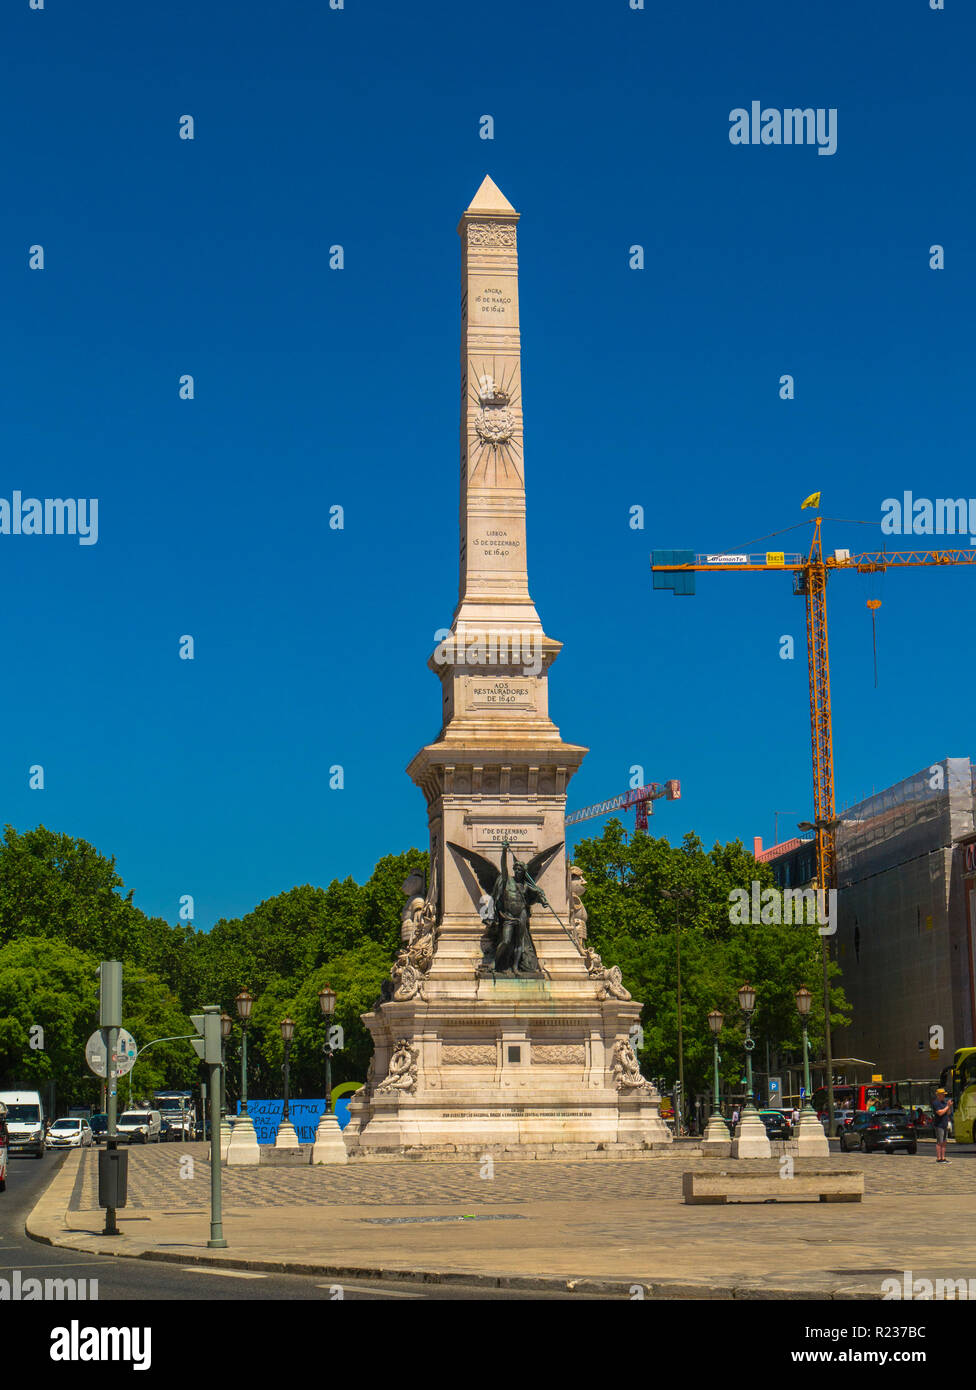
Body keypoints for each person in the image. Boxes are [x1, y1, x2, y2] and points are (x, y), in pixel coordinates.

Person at [932, 1087, 953, 1163]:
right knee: (939, 1142)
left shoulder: (944, 1103)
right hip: (939, 1125)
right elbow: (940, 1113)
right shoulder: (935, 1103)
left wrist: (949, 1106)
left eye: (944, 1094)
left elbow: (948, 1113)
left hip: (945, 1124)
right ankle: (939, 1158)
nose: (944, 1096)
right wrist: (947, 1106)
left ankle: (943, 1158)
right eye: (943, 1094)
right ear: (938, 1095)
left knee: (944, 1142)